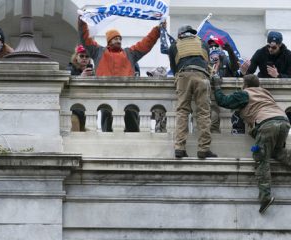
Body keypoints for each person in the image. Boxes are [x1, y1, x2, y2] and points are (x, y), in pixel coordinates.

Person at [213, 74, 291, 213]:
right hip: (283, 122)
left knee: (261, 158)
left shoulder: (245, 94)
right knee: (274, 151)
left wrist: (217, 86)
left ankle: (265, 196)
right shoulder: (265, 93)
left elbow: (224, 101)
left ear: (245, 85)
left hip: (267, 125)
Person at [77, 17, 161, 132]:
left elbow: (146, 43)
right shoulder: (98, 52)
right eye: (115, 38)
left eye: (119, 39)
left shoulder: (130, 53)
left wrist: (158, 29)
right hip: (106, 98)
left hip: (128, 98)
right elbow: (85, 38)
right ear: (109, 41)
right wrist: (82, 22)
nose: (118, 41)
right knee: (108, 131)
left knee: (132, 131)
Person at [168, 25, 216, 159]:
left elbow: (174, 68)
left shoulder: (175, 45)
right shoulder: (202, 43)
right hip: (201, 76)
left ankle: (179, 148)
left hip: (183, 75)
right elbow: (206, 62)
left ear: (180, 34)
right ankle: (203, 149)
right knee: (203, 113)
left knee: (182, 111)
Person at [208, 37, 240, 135]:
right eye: (211, 46)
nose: (213, 48)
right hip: (209, 98)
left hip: (223, 98)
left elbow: (235, 67)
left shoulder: (226, 59)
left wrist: (230, 52)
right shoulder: (206, 60)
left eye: (215, 46)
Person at [68, 45, 93, 131]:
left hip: (87, 111)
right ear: (76, 57)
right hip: (73, 110)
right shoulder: (70, 69)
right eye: (81, 56)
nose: (84, 58)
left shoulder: (92, 71)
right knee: (76, 135)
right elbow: (68, 86)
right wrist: (80, 77)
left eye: (87, 56)